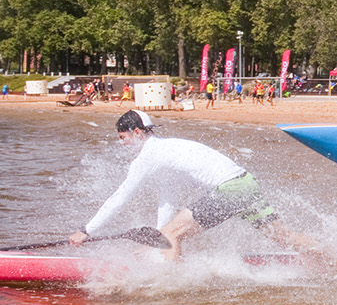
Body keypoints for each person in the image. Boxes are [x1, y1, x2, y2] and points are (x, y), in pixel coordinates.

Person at [69, 110, 320, 260]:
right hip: (245, 184)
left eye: (123, 138)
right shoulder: (166, 151)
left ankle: (172, 288)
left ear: (137, 132)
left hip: (230, 189)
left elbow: (120, 197)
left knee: (170, 235)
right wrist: (156, 240)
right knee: (283, 237)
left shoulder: (149, 156)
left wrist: (86, 230)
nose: (121, 144)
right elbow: (167, 200)